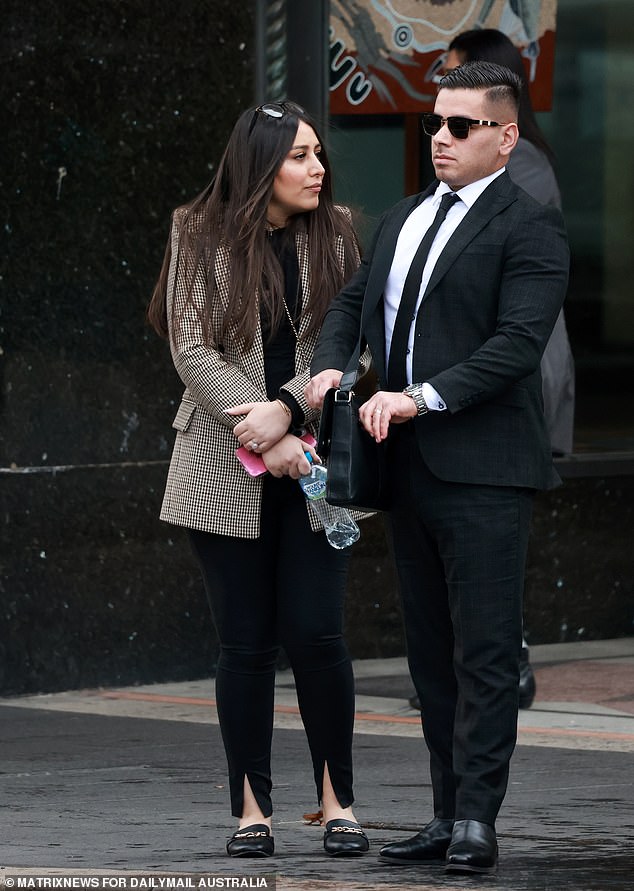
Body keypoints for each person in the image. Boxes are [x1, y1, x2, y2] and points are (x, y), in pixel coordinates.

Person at [305, 62, 569, 875]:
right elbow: (353, 303)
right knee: (429, 653)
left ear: (505, 135)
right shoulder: (406, 215)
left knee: (485, 653)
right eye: (434, 123)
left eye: (460, 126)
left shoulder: (531, 229)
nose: (441, 138)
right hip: (407, 469)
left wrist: (419, 397)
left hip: (486, 471)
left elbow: (515, 347)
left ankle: (477, 821)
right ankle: (445, 811)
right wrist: (329, 365)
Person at [147, 101, 370, 859]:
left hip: (311, 458)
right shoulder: (196, 230)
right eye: (300, 156)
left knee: (317, 633)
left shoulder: (336, 229)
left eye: (318, 154)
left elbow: (354, 344)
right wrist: (256, 434)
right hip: (221, 459)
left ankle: (338, 802)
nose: (317, 169)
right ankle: (252, 811)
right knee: (243, 643)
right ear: (259, 166)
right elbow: (189, 346)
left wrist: (284, 415)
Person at [442, 27, 577, 709]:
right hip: (482, 380)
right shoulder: (439, 197)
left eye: (455, 77)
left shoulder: (521, 175)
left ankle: (507, 659)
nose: (441, 130)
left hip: (510, 380)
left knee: (496, 536)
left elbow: (502, 309)